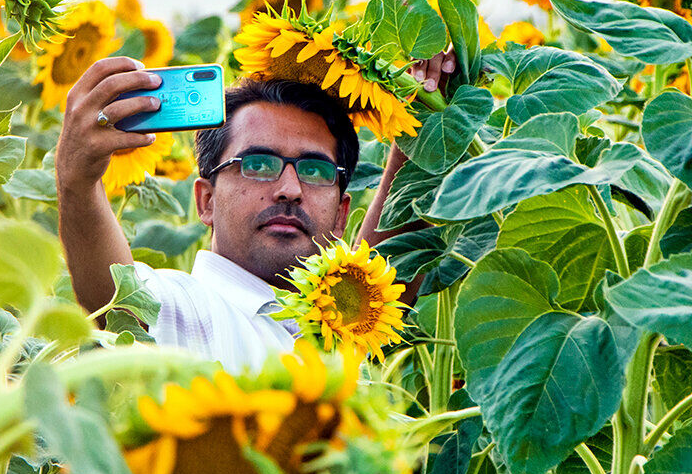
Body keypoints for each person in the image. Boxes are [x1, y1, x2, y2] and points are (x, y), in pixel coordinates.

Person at [55, 54, 450, 370]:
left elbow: (383, 277)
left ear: (342, 214)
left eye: (315, 171)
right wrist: (77, 184)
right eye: (258, 165)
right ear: (206, 201)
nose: (290, 189)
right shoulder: (184, 310)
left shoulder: (345, 323)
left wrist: (430, 121)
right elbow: (117, 303)